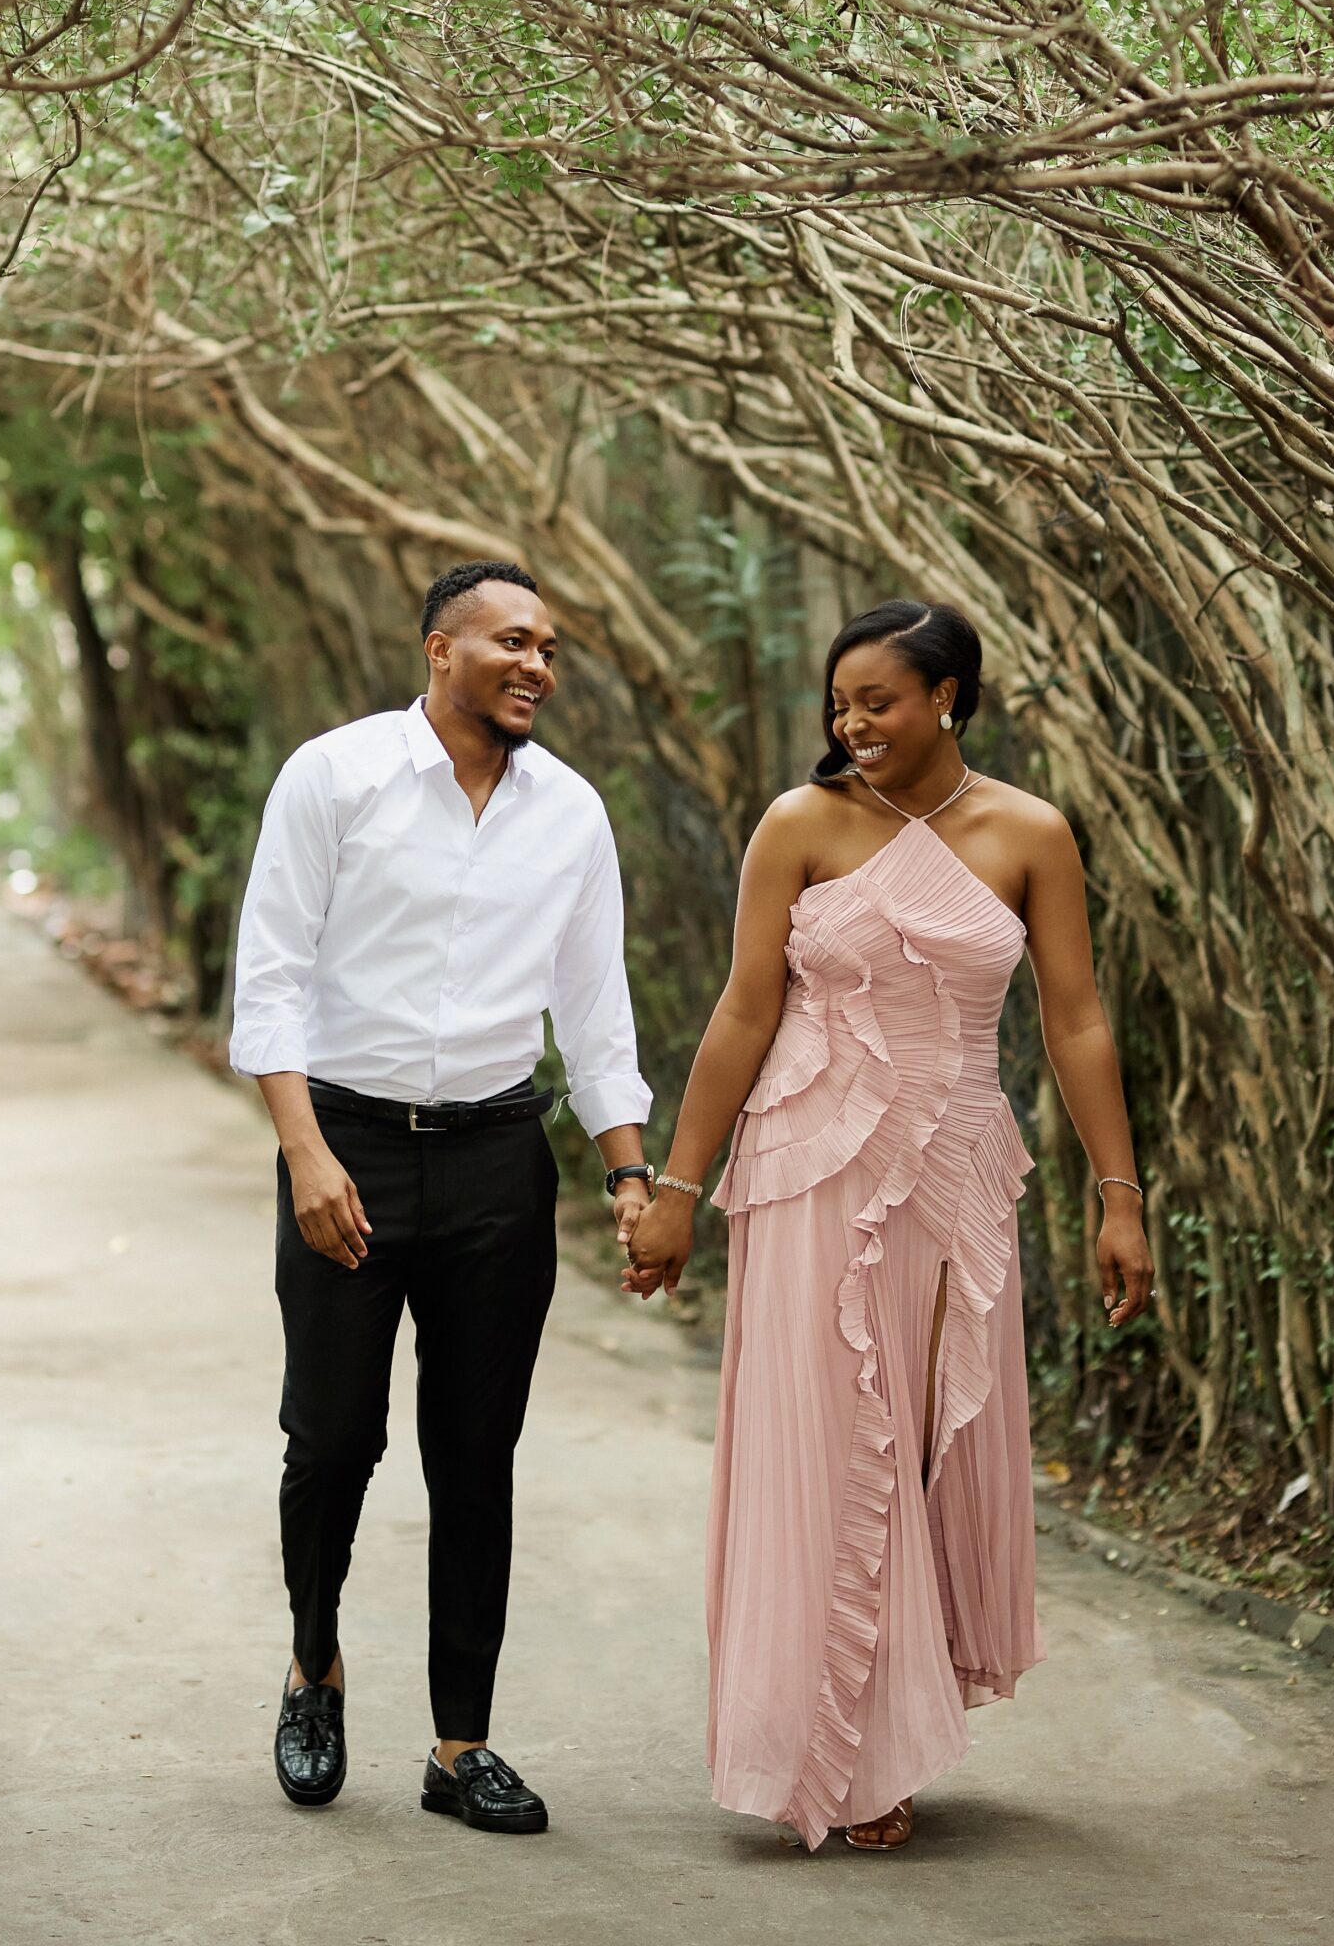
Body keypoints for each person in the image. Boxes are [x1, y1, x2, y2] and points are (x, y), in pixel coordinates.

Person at [627, 598, 1152, 1852]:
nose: (853, 723)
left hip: (952, 1165)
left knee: (914, 1439)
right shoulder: (799, 824)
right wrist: (677, 1190)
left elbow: (1076, 1018)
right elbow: (744, 1011)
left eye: (880, 700)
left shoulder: (1030, 832)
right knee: (826, 1441)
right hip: (811, 1161)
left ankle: (887, 1722)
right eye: (840, 703)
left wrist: (1120, 1194)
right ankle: (848, 1753)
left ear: (947, 697)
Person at [230, 559, 655, 1836]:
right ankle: (314, 1663)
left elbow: (594, 1007)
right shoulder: (336, 776)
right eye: (512, 640)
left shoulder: (570, 813)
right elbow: (270, 974)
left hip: (495, 1163)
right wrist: (306, 1154)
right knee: (331, 1439)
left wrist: (629, 1171)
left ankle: (460, 1745)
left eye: (550, 648)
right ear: (439, 648)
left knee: (477, 1456)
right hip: (347, 1144)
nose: (537, 664)